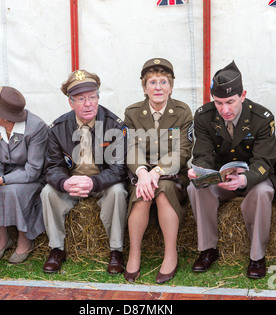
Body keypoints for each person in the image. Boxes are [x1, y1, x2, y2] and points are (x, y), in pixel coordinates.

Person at [188, 61, 276, 279]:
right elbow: (203, 154)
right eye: (218, 103)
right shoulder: (203, 116)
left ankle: (257, 257)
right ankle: (208, 249)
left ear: (242, 95)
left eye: (230, 102)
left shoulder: (262, 118)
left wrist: (244, 180)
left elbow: (265, 162)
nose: (224, 110)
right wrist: (201, 173)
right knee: (194, 188)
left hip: (253, 179)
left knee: (263, 192)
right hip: (221, 179)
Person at [41, 69, 128, 274]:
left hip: (103, 181)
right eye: (81, 99)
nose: (88, 103)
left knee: (117, 192)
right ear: (71, 103)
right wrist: (64, 183)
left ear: (98, 98)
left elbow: (119, 168)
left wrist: (94, 183)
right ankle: (57, 248)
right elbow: (52, 166)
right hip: (72, 181)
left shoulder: (114, 125)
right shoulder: (58, 128)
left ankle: (116, 250)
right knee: (48, 192)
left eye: (92, 97)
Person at [124, 58, 194, 284]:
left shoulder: (182, 112)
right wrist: (143, 173)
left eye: (163, 82)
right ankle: (134, 254)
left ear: (171, 86)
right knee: (142, 192)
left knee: (162, 188)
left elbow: (183, 150)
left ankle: (170, 255)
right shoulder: (133, 112)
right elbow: (131, 147)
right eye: (152, 82)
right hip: (142, 174)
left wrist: (157, 172)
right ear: (144, 88)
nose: (158, 87)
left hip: (173, 174)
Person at [0, 86, 48, 263]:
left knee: (13, 192)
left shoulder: (36, 128)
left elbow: (33, 170)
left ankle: (25, 240)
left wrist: (2, 180)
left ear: (5, 116)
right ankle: (3, 239)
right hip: (5, 174)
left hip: (31, 177)